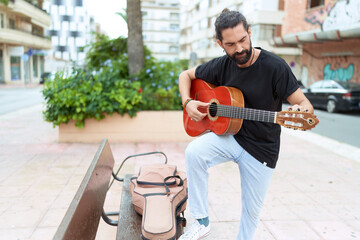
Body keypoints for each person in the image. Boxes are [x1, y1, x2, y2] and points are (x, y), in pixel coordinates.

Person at [178, 9, 314, 240]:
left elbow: (305, 106)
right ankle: (201, 221)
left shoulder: (275, 67)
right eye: (231, 44)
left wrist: (301, 110)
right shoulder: (221, 65)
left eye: (243, 40)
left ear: (250, 33)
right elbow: (185, 75)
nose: (239, 48)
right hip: (231, 137)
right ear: (220, 43)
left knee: (251, 214)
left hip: (261, 149)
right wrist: (188, 102)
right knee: (194, 153)